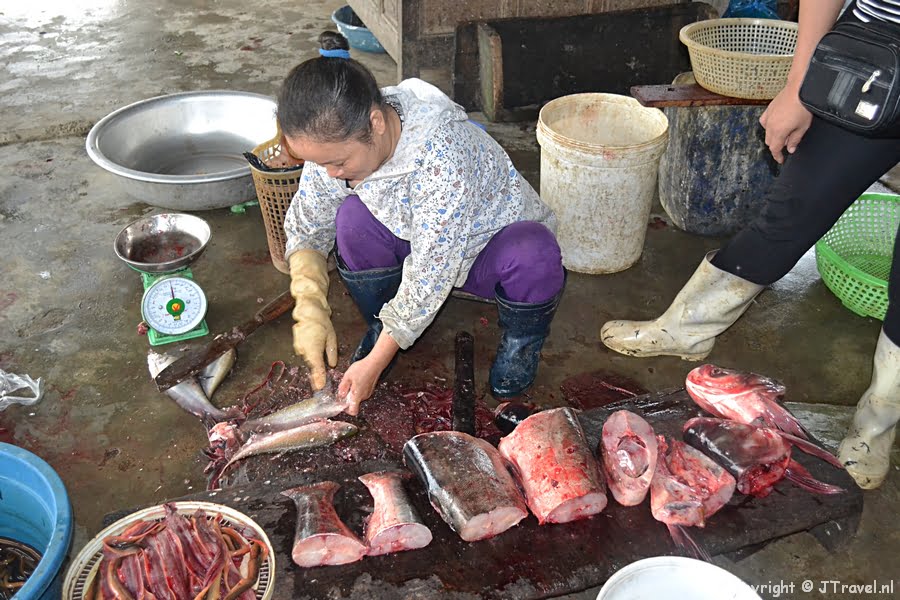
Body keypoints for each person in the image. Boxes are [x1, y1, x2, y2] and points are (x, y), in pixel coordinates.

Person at [601, 0, 900, 490]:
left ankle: (878, 422)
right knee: (790, 212)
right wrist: (799, 86)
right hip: (870, 62)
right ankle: (687, 328)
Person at [278, 32, 565, 415]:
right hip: (417, 239)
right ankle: (386, 326)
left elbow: (431, 273)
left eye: (339, 163)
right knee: (351, 219)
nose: (330, 174)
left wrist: (374, 363)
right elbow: (310, 223)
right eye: (320, 163)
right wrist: (309, 303)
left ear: (376, 123)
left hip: (486, 253)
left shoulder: (442, 154)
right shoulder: (337, 139)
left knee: (535, 250)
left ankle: (521, 342)